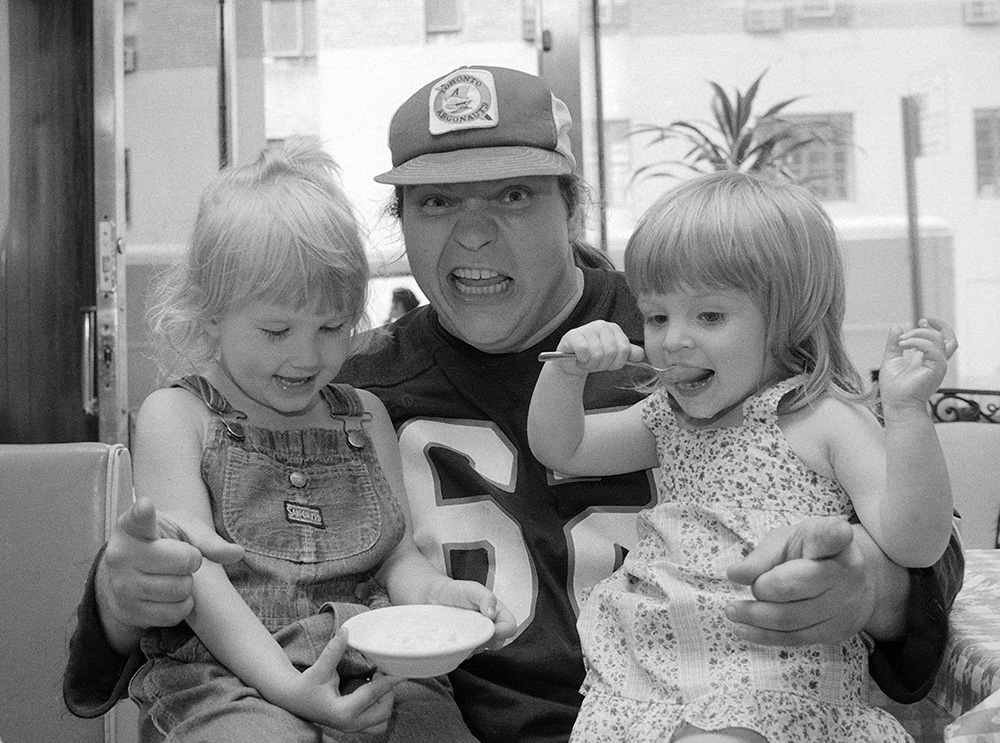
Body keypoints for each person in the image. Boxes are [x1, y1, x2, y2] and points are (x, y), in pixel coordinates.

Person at [64, 66, 963, 743]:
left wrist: (871, 589)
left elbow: (916, 542)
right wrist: (118, 596)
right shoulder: (342, 389)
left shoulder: (695, 341)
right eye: (436, 201)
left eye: (515, 194)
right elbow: (202, 590)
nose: (473, 231)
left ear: (573, 206)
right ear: (402, 225)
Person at [527, 170, 954, 742]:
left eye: (709, 316)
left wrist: (906, 415)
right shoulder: (668, 419)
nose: (673, 339)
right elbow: (563, 448)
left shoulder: (821, 417)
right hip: (650, 679)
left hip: (772, 677)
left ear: (789, 317)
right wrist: (566, 372)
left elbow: (915, 543)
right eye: (657, 316)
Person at [116, 135, 514, 741]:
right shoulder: (179, 415)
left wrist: (439, 594)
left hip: (371, 657)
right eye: (276, 329)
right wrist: (290, 689)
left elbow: (395, 556)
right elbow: (199, 581)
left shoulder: (364, 416)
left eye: (332, 326)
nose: (307, 356)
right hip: (226, 674)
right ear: (209, 312)